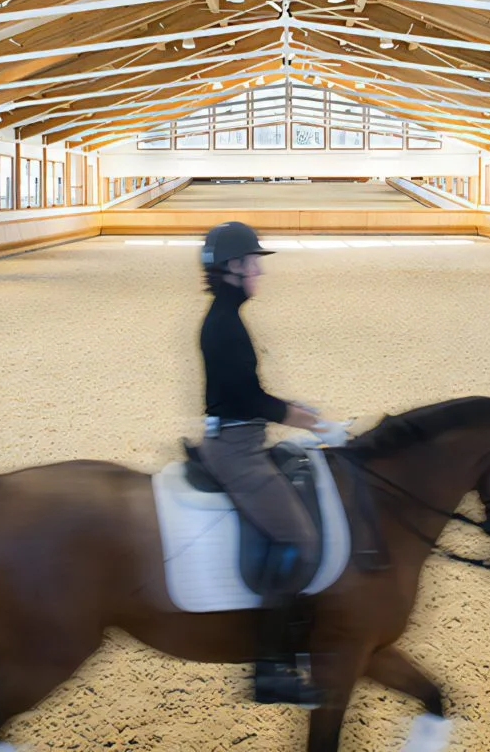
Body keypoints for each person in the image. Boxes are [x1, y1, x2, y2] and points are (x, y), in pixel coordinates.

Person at [195, 220, 325, 707]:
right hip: (236, 448)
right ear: (232, 267)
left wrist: (300, 409)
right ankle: (271, 666)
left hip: (242, 435)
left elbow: (250, 394)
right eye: (252, 263)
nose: (258, 272)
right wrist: (311, 423)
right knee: (299, 536)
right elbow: (248, 399)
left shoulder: (227, 315)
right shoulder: (224, 323)